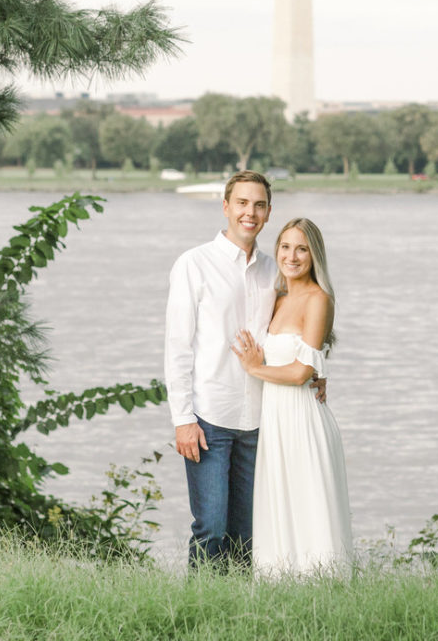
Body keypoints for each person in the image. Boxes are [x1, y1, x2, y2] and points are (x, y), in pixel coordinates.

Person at [163, 170, 323, 569]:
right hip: (209, 418)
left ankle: (237, 603)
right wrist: (183, 420)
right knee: (211, 527)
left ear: (268, 213)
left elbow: (298, 324)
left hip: (262, 419)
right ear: (225, 207)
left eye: (259, 205)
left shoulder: (275, 270)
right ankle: (200, 603)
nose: (249, 213)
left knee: (249, 533)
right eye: (242, 203)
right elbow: (178, 347)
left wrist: (316, 370)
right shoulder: (194, 264)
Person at [232, 217, 352, 576]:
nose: (292, 256)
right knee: (278, 507)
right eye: (285, 247)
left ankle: (324, 588)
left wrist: (254, 369)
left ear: (315, 255)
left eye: (302, 249)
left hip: (303, 419)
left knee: (310, 507)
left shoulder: (318, 299)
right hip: (275, 421)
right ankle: (279, 587)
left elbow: (301, 372)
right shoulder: (278, 298)